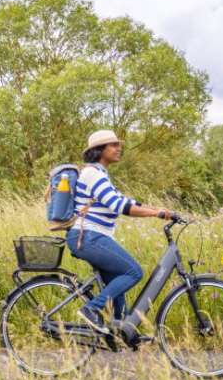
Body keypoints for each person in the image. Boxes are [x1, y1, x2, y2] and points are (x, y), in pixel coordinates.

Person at [66, 129, 173, 334]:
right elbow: (118, 206)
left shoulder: (100, 174)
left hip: (94, 237)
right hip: (88, 236)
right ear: (99, 150)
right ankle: (91, 309)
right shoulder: (92, 174)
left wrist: (160, 210)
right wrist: (155, 214)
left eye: (118, 144)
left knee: (118, 278)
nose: (119, 148)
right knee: (133, 271)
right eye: (113, 145)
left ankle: (118, 330)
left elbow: (126, 201)